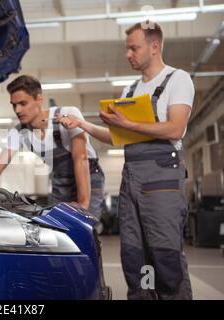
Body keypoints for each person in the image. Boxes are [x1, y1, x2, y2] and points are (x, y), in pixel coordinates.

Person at [58, 22, 194, 299]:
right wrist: (82, 124)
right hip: (131, 178)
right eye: (127, 49)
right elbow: (118, 137)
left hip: (162, 182)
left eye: (134, 48)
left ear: (154, 47)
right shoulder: (130, 90)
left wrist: (129, 123)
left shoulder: (177, 79)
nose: (128, 54)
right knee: (134, 258)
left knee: (165, 257)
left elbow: (175, 128)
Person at [0, 75, 104, 217]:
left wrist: (83, 204)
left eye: (23, 103)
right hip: (59, 180)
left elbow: (80, 158)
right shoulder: (19, 131)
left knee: (85, 225)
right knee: (56, 226)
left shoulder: (67, 115)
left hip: (88, 177)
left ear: (39, 99)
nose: (17, 110)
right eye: (14, 105)